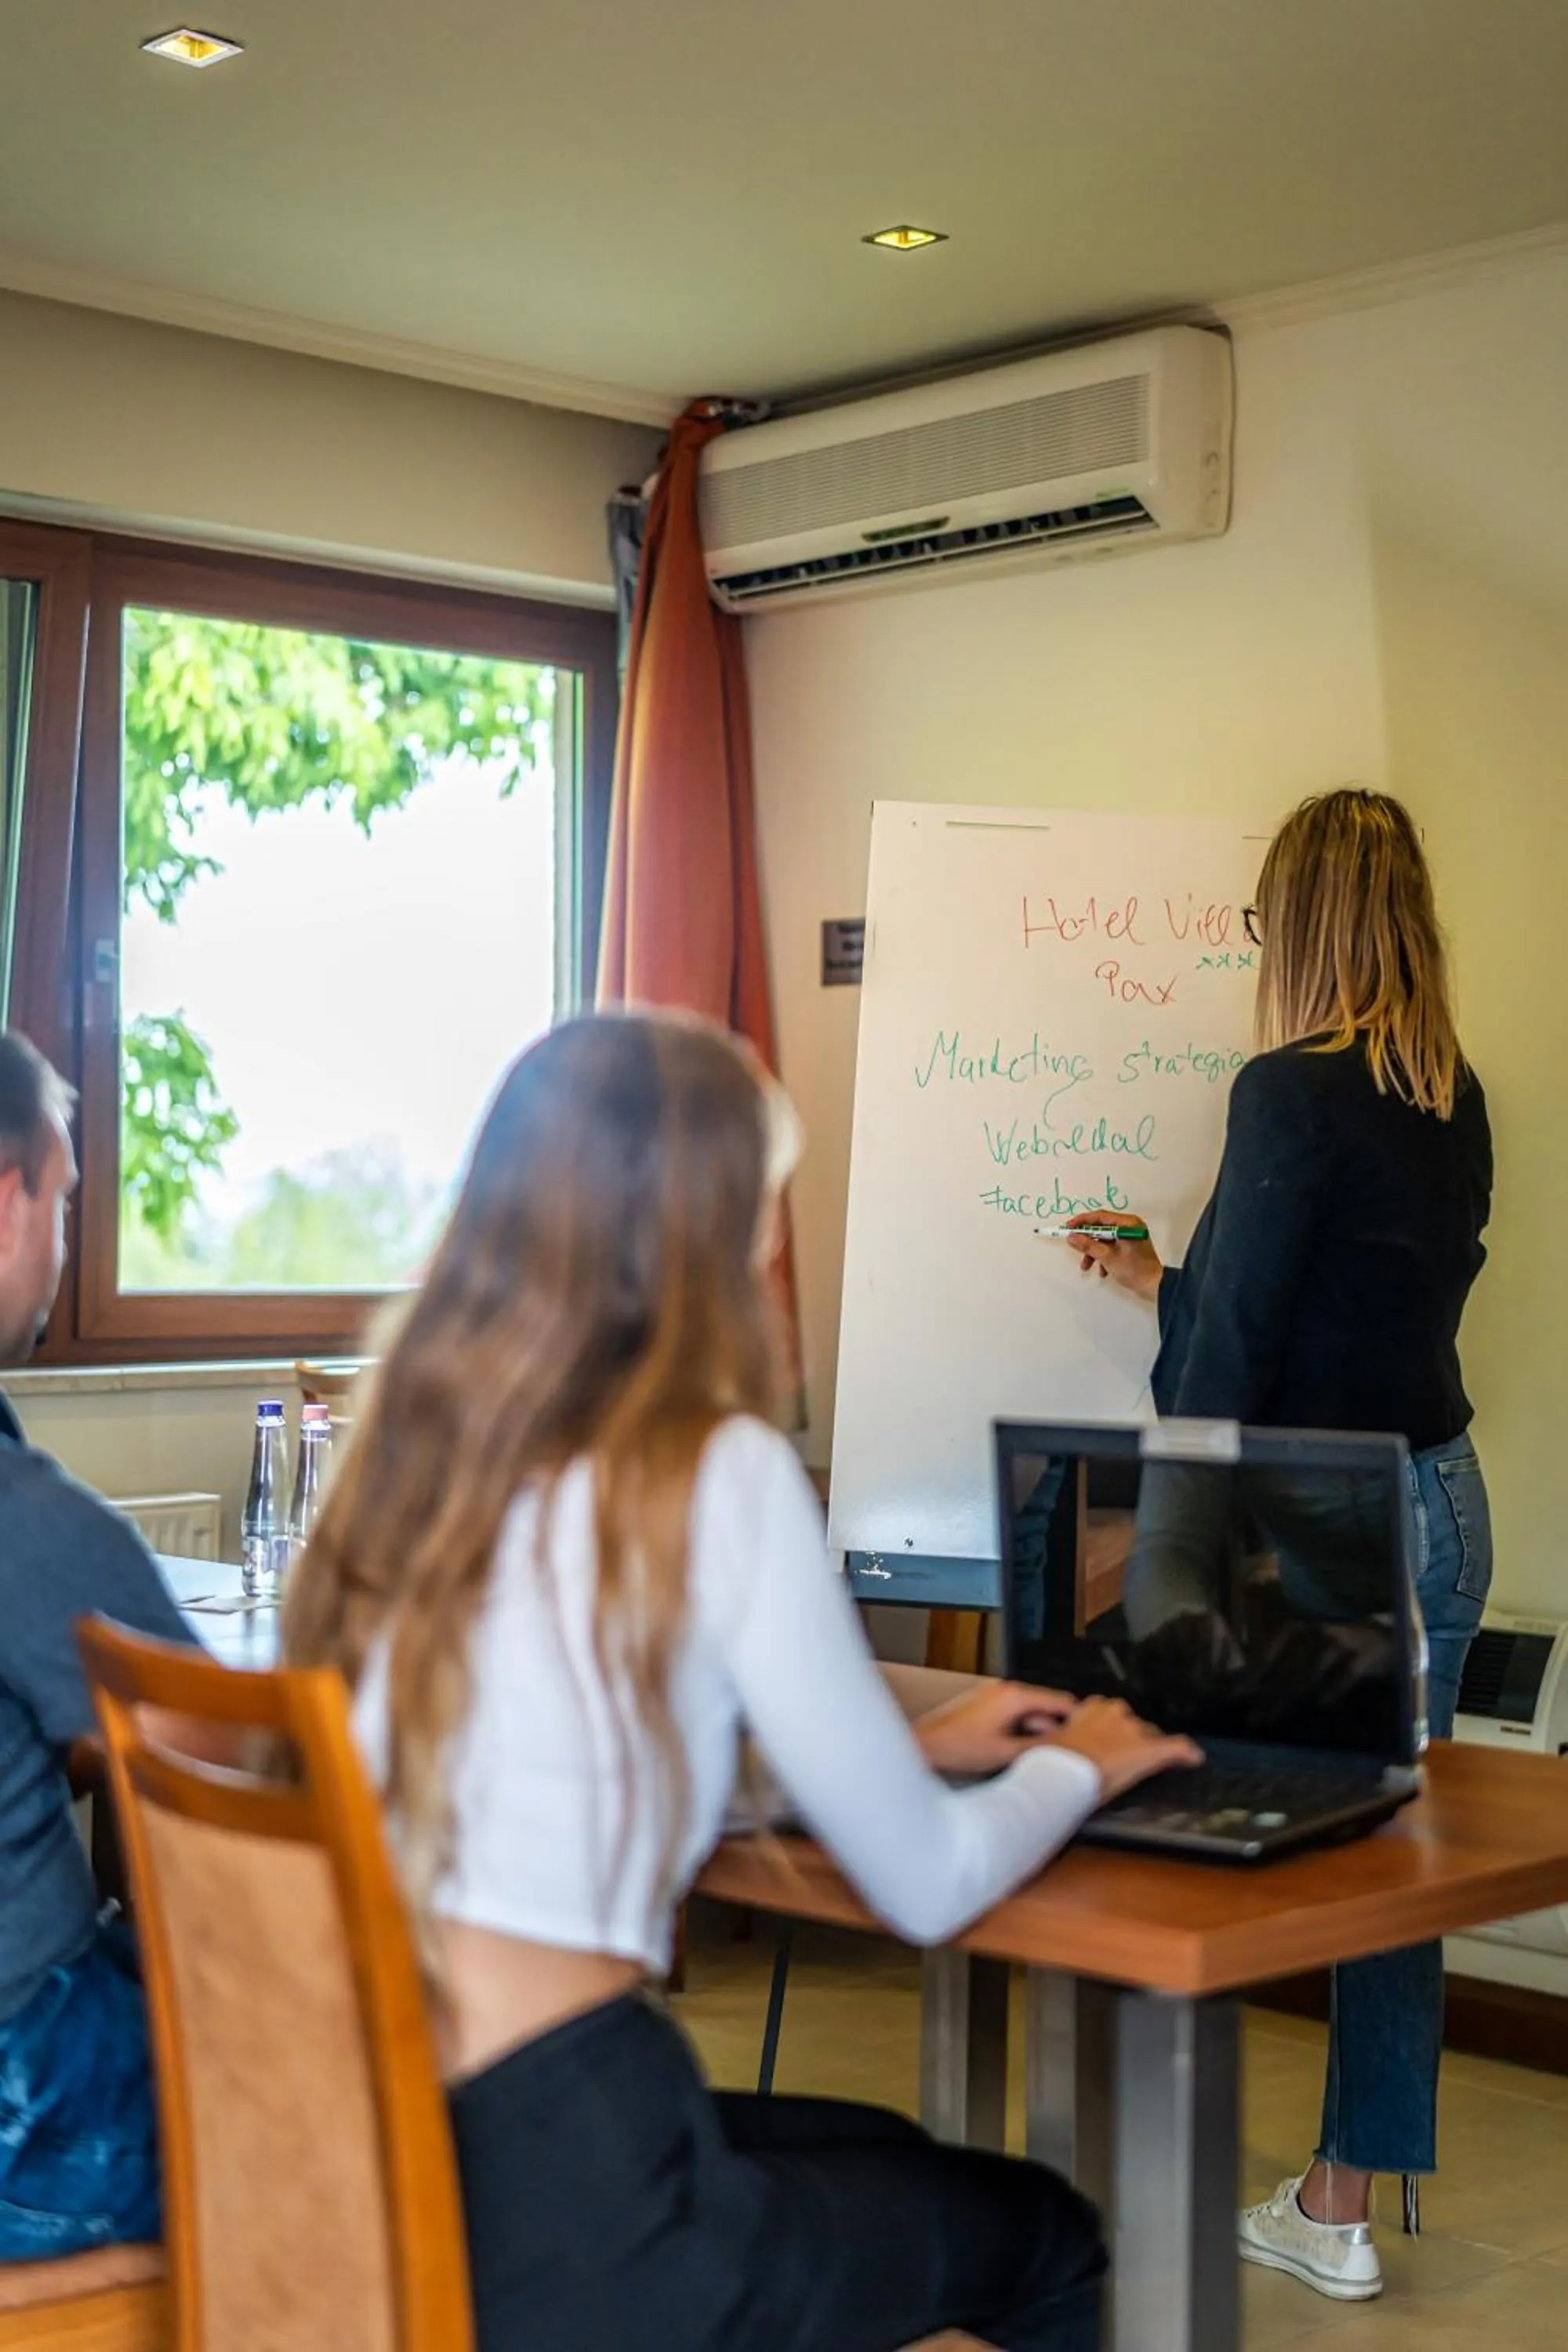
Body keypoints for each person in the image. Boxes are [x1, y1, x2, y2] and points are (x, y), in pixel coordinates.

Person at [284, 1011, 1197, 2352]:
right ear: (697, 1226)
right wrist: (1085, 1762)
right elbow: (930, 1886)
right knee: (1041, 2236)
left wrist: (903, 1756)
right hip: (578, 2193)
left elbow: (548, 1779)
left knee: (875, 2150)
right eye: (763, 1203)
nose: (774, 1243)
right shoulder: (711, 1467)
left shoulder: (415, 1452)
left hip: (388, 2132)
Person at [1065, 787, 1493, 2303]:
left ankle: (1152, 2174)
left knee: (1186, 1822)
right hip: (1442, 1507)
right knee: (1397, 1869)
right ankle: (1341, 2200)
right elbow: (1354, 1312)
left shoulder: (1287, 1090)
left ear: (1300, 927)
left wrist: (1156, 1533)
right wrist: (1159, 1281)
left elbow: (1237, 1351)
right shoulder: (1452, 1096)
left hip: (1321, 1530)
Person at [0, 1033, 196, 2260]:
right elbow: (223, 1766)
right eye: (63, 1203)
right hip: (33, 2104)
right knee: (397, 2099)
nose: (64, 1257)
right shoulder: (35, 1522)